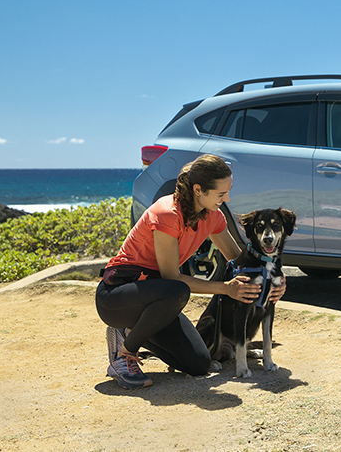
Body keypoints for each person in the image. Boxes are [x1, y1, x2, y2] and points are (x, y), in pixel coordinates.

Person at [95, 154, 285, 389]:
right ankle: (123, 356)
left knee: (198, 363)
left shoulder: (213, 216)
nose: (226, 198)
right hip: (118, 296)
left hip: (157, 302)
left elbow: (238, 261)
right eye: (220, 193)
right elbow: (171, 277)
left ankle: (129, 331)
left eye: (228, 191)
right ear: (198, 190)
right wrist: (225, 289)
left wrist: (273, 280)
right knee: (177, 291)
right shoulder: (167, 213)